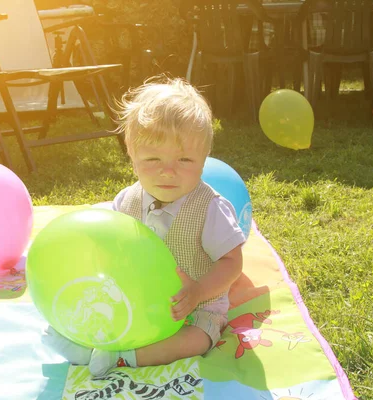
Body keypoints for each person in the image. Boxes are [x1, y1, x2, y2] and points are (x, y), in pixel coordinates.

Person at [42, 75, 246, 377]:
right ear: (132, 157)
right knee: (97, 305)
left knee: (196, 340)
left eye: (185, 159)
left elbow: (233, 263)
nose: (168, 171)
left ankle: (125, 356)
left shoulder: (209, 208)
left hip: (193, 308)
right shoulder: (127, 201)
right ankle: (86, 342)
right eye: (153, 158)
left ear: (204, 160)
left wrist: (198, 291)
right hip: (138, 299)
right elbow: (111, 246)